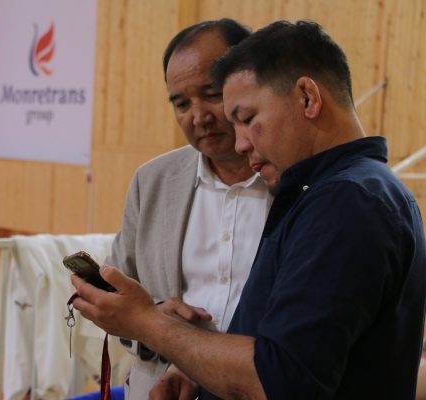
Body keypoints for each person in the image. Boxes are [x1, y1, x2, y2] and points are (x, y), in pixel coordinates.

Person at [71, 20, 426, 399]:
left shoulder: (347, 201)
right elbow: (283, 344)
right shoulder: (332, 190)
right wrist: (194, 367)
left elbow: (281, 378)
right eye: (181, 103)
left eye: (247, 118)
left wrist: (149, 322)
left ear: (307, 97)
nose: (240, 142)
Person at [106, 19, 272, 398]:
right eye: (181, 104)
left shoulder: (296, 179)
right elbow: (117, 295)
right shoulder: (152, 181)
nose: (198, 117)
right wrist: (153, 321)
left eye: (212, 94)